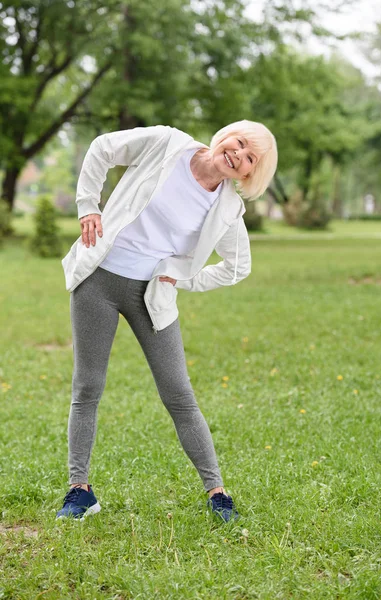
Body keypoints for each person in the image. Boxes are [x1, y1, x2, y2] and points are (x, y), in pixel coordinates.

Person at [57, 120, 278, 522]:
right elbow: (103, 147)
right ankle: (79, 490)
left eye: (250, 159)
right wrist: (88, 204)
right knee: (87, 386)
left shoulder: (227, 206)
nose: (237, 154)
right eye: (240, 142)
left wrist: (180, 277)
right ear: (226, 134)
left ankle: (217, 493)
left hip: (152, 296)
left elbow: (236, 267)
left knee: (179, 395)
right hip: (98, 281)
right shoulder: (167, 144)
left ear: (248, 174)